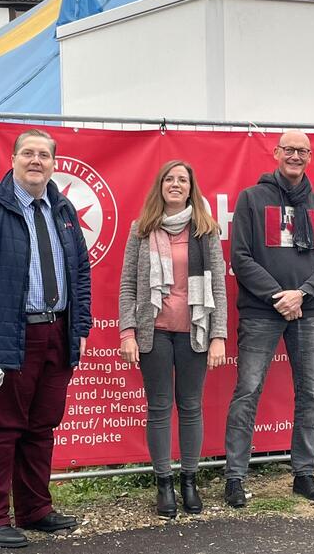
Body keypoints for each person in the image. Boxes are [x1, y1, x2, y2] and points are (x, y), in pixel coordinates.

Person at [0, 129, 91, 548]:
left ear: (54, 164)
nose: (36, 161)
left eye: (44, 155)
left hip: (55, 333)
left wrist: (77, 329)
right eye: (28, 153)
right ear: (13, 158)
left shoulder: (62, 210)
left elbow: (79, 273)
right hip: (1, 337)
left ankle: (35, 509)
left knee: (41, 427)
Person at [224, 130, 314, 507]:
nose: (295, 156)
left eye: (302, 151)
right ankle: (235, 477)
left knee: (310, 395)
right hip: (262, 311)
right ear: (276, 153)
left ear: (310, 157)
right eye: (289, 149)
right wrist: (279, 296)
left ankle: (303, 473)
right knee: (247, 392)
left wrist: (301, 294)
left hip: (308, 311)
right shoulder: (251, 199)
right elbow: (241, 258)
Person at [118, 160, 227, 518]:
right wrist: (128, 333)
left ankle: (190, 480)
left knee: (192, 406)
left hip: (194, 331)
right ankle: (163, 483)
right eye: (170, 179)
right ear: (160, 186)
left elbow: (219, 288)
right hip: (155, 333)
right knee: (160, 408)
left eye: (183, 179)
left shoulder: (205, 230)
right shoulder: (141, 229)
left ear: (191, 187)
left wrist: (218, 336)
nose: (176, 184)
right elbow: (128, 286)